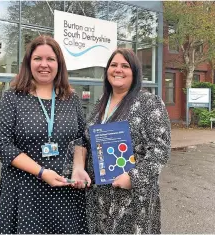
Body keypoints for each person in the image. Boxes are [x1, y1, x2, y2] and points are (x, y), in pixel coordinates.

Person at [0, 35, 88, 234]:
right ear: (29, 62)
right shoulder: (13, 97)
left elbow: (81, 139)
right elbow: (2, 145)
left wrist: (78, 168)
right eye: (38, 58)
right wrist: (42, 172)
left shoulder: (71, 98)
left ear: (59, 64)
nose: (44, 64)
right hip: (24, 192)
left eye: (50, 59)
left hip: (65, 192)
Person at [71, 48, 171, 234]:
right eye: (113, 65)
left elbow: (160, 149)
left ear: (135, 72)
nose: (118, 69)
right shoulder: (102, 102)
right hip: (99, 198)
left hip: (132, 200)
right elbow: (85, 139)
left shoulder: (149, 102)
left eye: (125, 66)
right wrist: (78, 166)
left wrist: (133, 178)